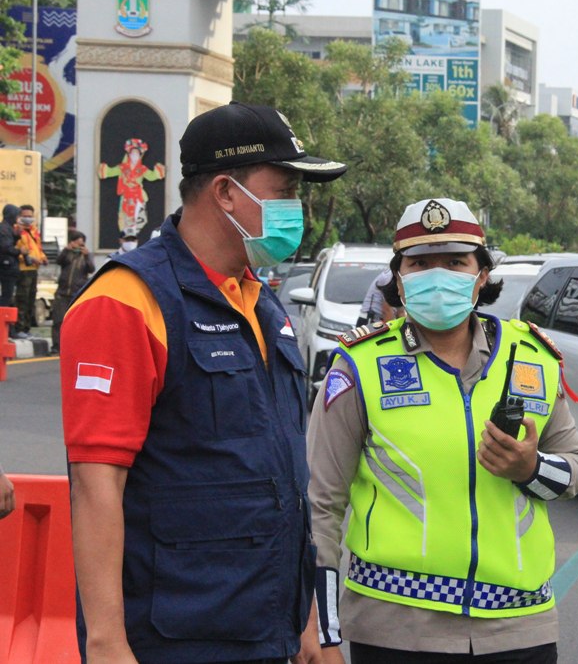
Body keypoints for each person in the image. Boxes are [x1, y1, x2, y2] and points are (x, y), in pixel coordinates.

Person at [60, 101, 347, 664]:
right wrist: (106, 642)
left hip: (264, 630)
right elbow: (96, 484)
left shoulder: (262, 305)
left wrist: (305, 617)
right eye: (285, 190)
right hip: (174, 637)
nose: (296, 208)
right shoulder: (126, 301)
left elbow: (284, 477)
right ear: (224, 192)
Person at [306, 197, 578, 663]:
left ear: (482, 276)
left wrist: (531, 469)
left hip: (519, 627)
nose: (437, 275)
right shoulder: (360, 365)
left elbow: (577, 467)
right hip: (396, 629)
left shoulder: (531, 358)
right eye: (420, 263)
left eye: (455, 262)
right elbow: (321, 503)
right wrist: (323, 631)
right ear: (399, 278)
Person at [50, 229, 95, 354]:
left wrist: (86, 255)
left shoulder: (85, 256)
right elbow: (59, 261)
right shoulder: (67, 254)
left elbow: (91, 269)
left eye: (81, 244)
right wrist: (67, 250)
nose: (79, 246)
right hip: (63, 292)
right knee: (58, 320)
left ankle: (74, 346)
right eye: (77, 243)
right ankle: (56, 346)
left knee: (77, 322)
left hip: (77, 293)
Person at [14, 204, 48, 338]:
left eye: (30, 216)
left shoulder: (34, 231)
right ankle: (19, 329)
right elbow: (16, 250)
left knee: (30, 300)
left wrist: (43, 258)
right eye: (25, 216)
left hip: (34, 269)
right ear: (19, 217)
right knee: (22, 300)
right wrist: (29, 258)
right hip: (23, 269)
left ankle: (26, 328)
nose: (28, 218)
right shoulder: (17, 231)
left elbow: (38, 249)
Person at [0, 203, 21, 311]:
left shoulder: (9, 228)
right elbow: (6, 247)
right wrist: (20, 251)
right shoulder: (4, 229)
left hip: (8, 266)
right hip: (6, 267)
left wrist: (16, 236)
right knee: (6, 296)